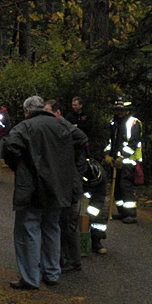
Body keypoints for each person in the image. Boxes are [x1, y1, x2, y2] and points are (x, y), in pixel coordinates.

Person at [3, 96, 75, 289]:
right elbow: (79, 140)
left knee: (28, 230)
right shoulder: (62, 126)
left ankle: (29, 278)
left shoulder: (25, 127)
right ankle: (52, 273)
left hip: (34, 187)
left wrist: (21, 166)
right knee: (52, 228)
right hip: (58, 187)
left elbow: (9, 146)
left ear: (27, 111)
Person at [44, 99, 88, 273]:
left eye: (48, 112)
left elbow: (82, 138)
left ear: (58, 113)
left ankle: (74, 261)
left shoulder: (65, 127)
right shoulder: (56, 130)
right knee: (61, 222)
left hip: (71, 185)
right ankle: (60, 258)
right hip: (62, 183)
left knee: (69, 224)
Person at [104, 97, 142, 224]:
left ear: (127, 111)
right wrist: (107, 155)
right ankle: (122, 212)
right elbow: (109, 141)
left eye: (121, 110)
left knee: (126, 187)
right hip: (114, 161)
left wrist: (122, 156)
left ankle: (131, 214)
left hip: (127, 162)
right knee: (117, 188)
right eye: (117, 110)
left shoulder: (133, 123)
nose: (119, 112)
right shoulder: (113, 122)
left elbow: (133, 143)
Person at [82, 158, 109, 254]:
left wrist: (89, 218)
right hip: (78, 191)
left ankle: (97, 240)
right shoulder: (77, 171)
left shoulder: (102, 178)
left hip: (95, 196)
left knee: (99, 215)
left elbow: (99, 199)